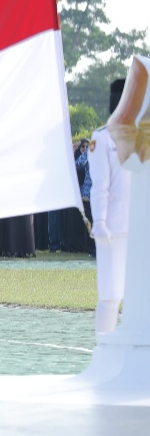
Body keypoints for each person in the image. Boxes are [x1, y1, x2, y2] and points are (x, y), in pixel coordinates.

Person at [88, 78, 131, 333]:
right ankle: (104, 343)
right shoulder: (102, 138)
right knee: (110, 294)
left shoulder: (142, 136)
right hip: (113, 228)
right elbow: (99, 185)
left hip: (139, 225)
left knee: (138, 295)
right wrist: (100, 221)